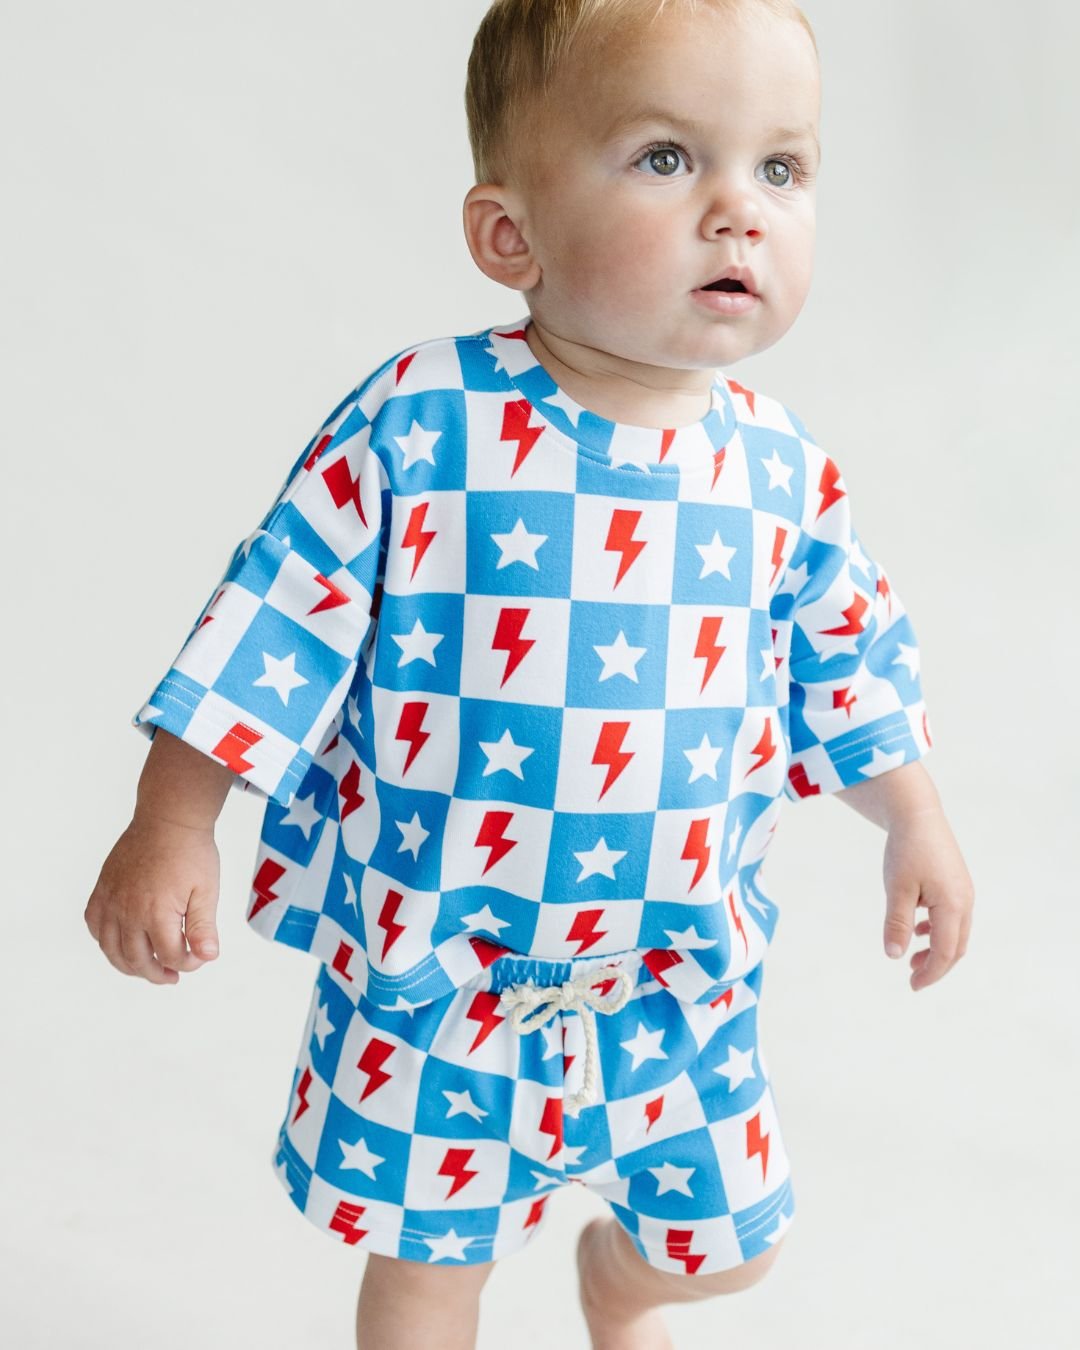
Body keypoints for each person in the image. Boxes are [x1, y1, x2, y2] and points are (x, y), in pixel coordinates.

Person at [85, 1, 976, 1346]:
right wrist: (172, 820)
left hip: (672, 991)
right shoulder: (425, 422)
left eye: (782, 167)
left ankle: (622, 1281)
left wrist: (915, 816)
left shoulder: (782, 473)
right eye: (668, 157)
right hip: (441, 988)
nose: (740, 211)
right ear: (512, 236)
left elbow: (845, 666)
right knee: (428, 1276)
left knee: (731, 1249)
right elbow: (273, 620)